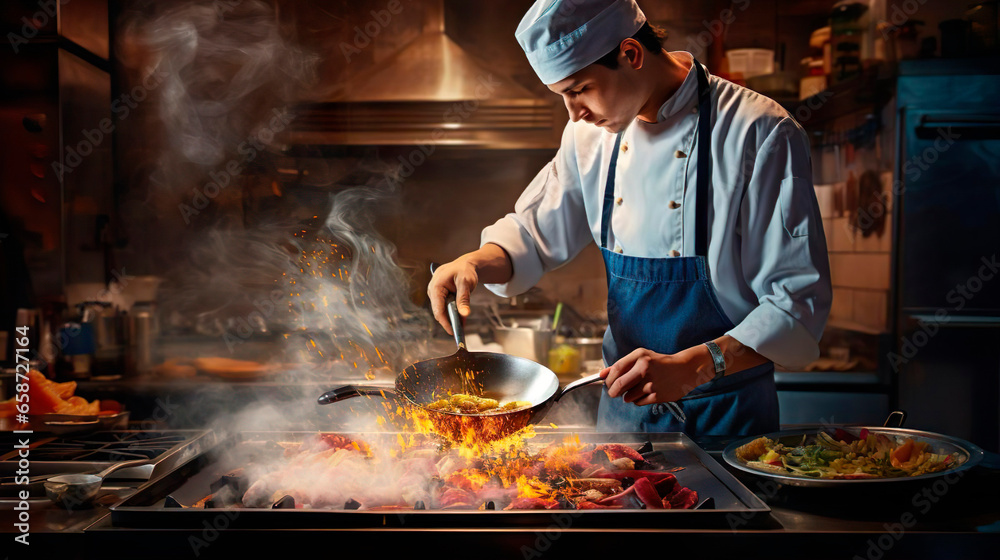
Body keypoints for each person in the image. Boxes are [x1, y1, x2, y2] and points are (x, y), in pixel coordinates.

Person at [427, 0, 831, 437]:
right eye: (563, 95)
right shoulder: (590, 136)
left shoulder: (759, 131)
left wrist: (696, 365)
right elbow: (532, 232)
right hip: (623, 418)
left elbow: (795, 304)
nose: (574, 112)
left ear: (631, 55)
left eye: (579, 89)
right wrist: (473, 262)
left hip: (726, 419)